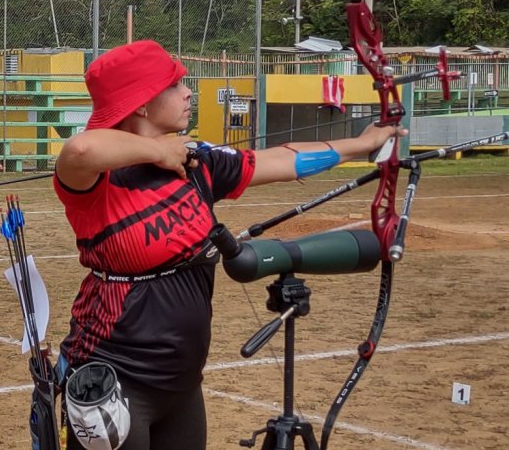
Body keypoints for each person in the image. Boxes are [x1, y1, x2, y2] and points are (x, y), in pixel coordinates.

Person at [53, 40, 405, 450]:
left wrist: (359, 146)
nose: (188, 92)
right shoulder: (97, 183)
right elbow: (79, 149)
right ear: (142, 104)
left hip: (182, 382)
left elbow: (281, 160)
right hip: (114, 379)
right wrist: (158, 151)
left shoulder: (196, 164)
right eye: (175, 85)